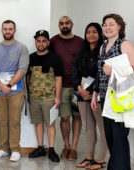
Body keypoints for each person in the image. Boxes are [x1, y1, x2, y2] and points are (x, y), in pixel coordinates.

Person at [91, 14, 134, 170]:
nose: (107, 28)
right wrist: (95, 95)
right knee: (110, 138)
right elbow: (100, 74)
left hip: (121, 100)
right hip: (105, 99)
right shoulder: (103, 47)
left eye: (111, 24)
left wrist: (113, 70)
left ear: (119, 27)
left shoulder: (125, 44)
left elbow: (133, 71)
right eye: (105, 25)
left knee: (119, 139)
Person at [0, 20, 29, 162]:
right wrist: (1, 85)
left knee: (14, 121)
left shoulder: (21, 47)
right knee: (2, 120)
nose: (7, 31)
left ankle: (15, 149)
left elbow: (23, 69)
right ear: (2, 30)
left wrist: (10, 84)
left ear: (14, 30)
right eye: (5, 29)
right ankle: (3, 148)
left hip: (16, 90)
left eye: (10, 29)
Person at [73, 23, 108, 169]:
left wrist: (93, 92)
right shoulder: (82, 51)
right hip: (82, 94)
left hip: (98, 96)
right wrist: (79, 88)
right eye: (88, 32)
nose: (91, 35)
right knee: (88, 128)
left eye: (94, 32)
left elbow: (102, 74)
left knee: (102, 128)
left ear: (100, 34)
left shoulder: (104, 51)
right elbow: (75, 70)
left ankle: (100, 160)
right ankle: (89, 157)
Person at [49, 16, 84, 160]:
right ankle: (66, 146)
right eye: (62, 23)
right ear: (58, 25)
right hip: (61, 86)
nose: (65, 25)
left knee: (77, 116)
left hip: (77, 85)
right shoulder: (53, 41)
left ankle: (74, 148)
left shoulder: (81, 42)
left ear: (72, 24)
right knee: (64, 118)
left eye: (67, 23)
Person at [26, 30, 63, 163]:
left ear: (48, 42)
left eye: (43, 41)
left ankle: (52, 150)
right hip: (34, 98)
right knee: (38, 123)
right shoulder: (30, 57)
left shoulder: (55, 58)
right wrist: (28, 94)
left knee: (50, 124)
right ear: (35, 42)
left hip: (49, 98)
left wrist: (57, 97)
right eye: (38, 41)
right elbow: (28, 77)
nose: (40, 43)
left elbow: (58, 79)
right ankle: (41, 147)